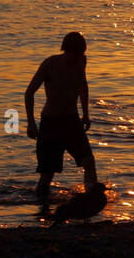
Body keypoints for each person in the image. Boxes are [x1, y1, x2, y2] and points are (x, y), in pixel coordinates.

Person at [25, 31, 98, 198]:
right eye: (76, 54)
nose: (79, 58)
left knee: (88, 161)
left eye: (82, 54)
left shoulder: (81, 61)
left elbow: (82, 85)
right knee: (47, 173)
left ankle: (92, 198)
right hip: (51, 123)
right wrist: (31, 123)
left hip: (72, 121)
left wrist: (86, 114)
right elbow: (29, 93)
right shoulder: (50, 64)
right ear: (66, 51)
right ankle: (41, 208)